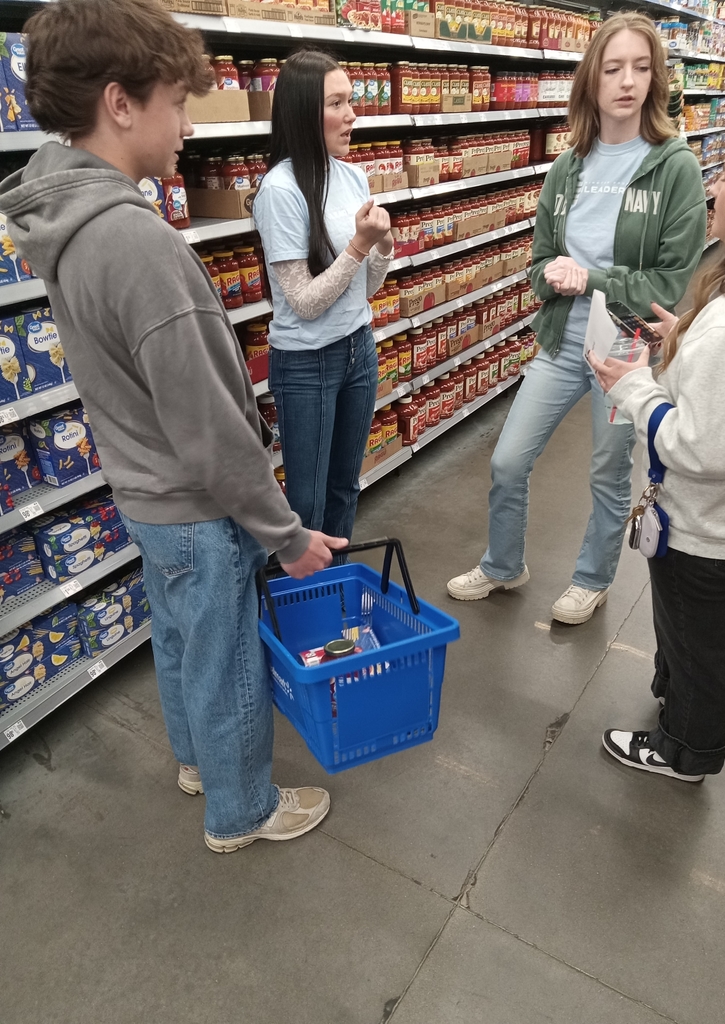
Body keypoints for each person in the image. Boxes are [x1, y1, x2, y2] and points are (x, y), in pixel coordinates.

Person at [0, 0, 347, 853]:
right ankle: (243, 810)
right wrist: (283, 532)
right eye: (176, 104)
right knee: (226, 655)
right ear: (120, 103)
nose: (190, 126)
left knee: (186, 636)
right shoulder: (136, 243)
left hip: (143, 490)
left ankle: (200, 759)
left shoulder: (68, 223)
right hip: (194, 501)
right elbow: (208, 427)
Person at [447, 13, 707, 625]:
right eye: (613, 68)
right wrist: (553, 276)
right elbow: (538, 263)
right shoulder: (569, 167)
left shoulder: (675, 166)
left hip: (628, 349)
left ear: (657, 79)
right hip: (564, 338)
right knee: (508, 459)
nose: (628, 81)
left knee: (608, 470)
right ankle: (504, 564)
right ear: (591, 80)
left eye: (642, 68)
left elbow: (670, 283)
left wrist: (589, 277)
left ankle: (592, 579)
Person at [591, 113, 725, 782]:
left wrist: (636, 388)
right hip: (718, 518)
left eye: (724, 177)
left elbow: (706, 447)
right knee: (690, 634)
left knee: (702, 641)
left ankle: (686, 749)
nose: (711, 189)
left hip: (705, 524)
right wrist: (683, 343)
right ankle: (676, 695)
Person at [253, 50, 393, 542]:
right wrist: (360, 245)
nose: (352, 113)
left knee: (344, 489)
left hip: (359, 347)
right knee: (307, 502)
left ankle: (334, 590)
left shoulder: (352, 175)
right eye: (337, 103)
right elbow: (304, 302)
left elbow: (365, 289)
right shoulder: (280, 190)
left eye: (350, 100)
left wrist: (383, 248)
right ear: (303, 113)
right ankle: (304, 603)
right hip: (307, 361)